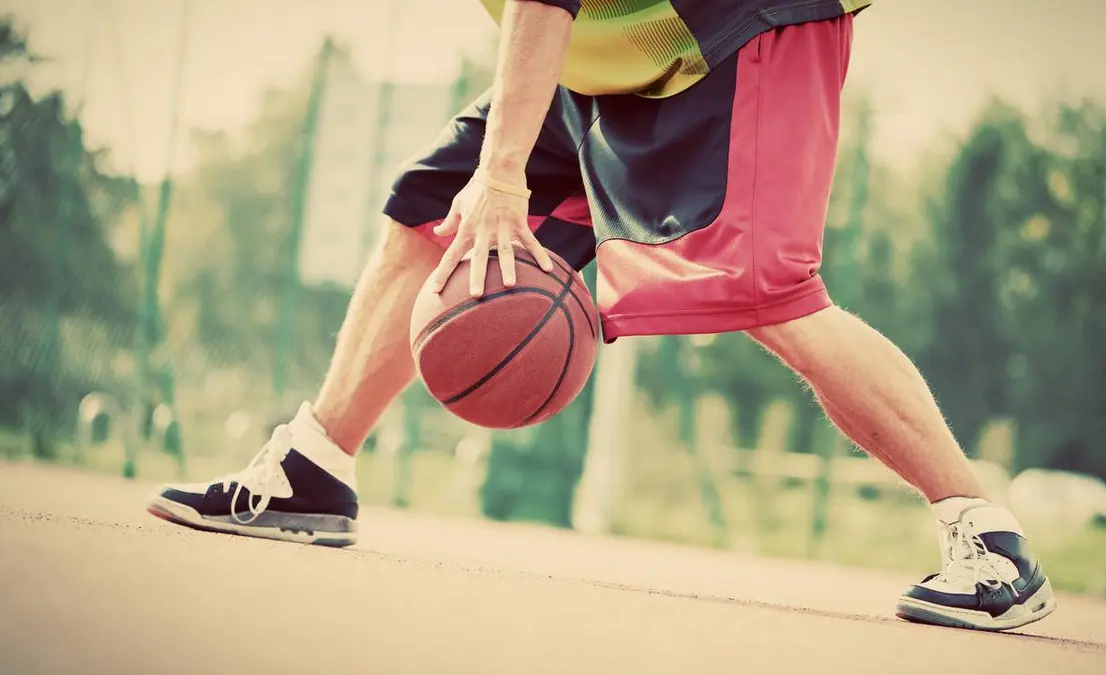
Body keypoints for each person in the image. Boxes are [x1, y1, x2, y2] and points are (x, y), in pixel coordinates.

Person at [147, 0, 1057, 632]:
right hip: (610, 49)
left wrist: (504, 173)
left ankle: (988, 536)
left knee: (764, 293)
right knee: (434, 213)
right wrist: (492, 173)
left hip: (736, 24)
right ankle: (313, 466)